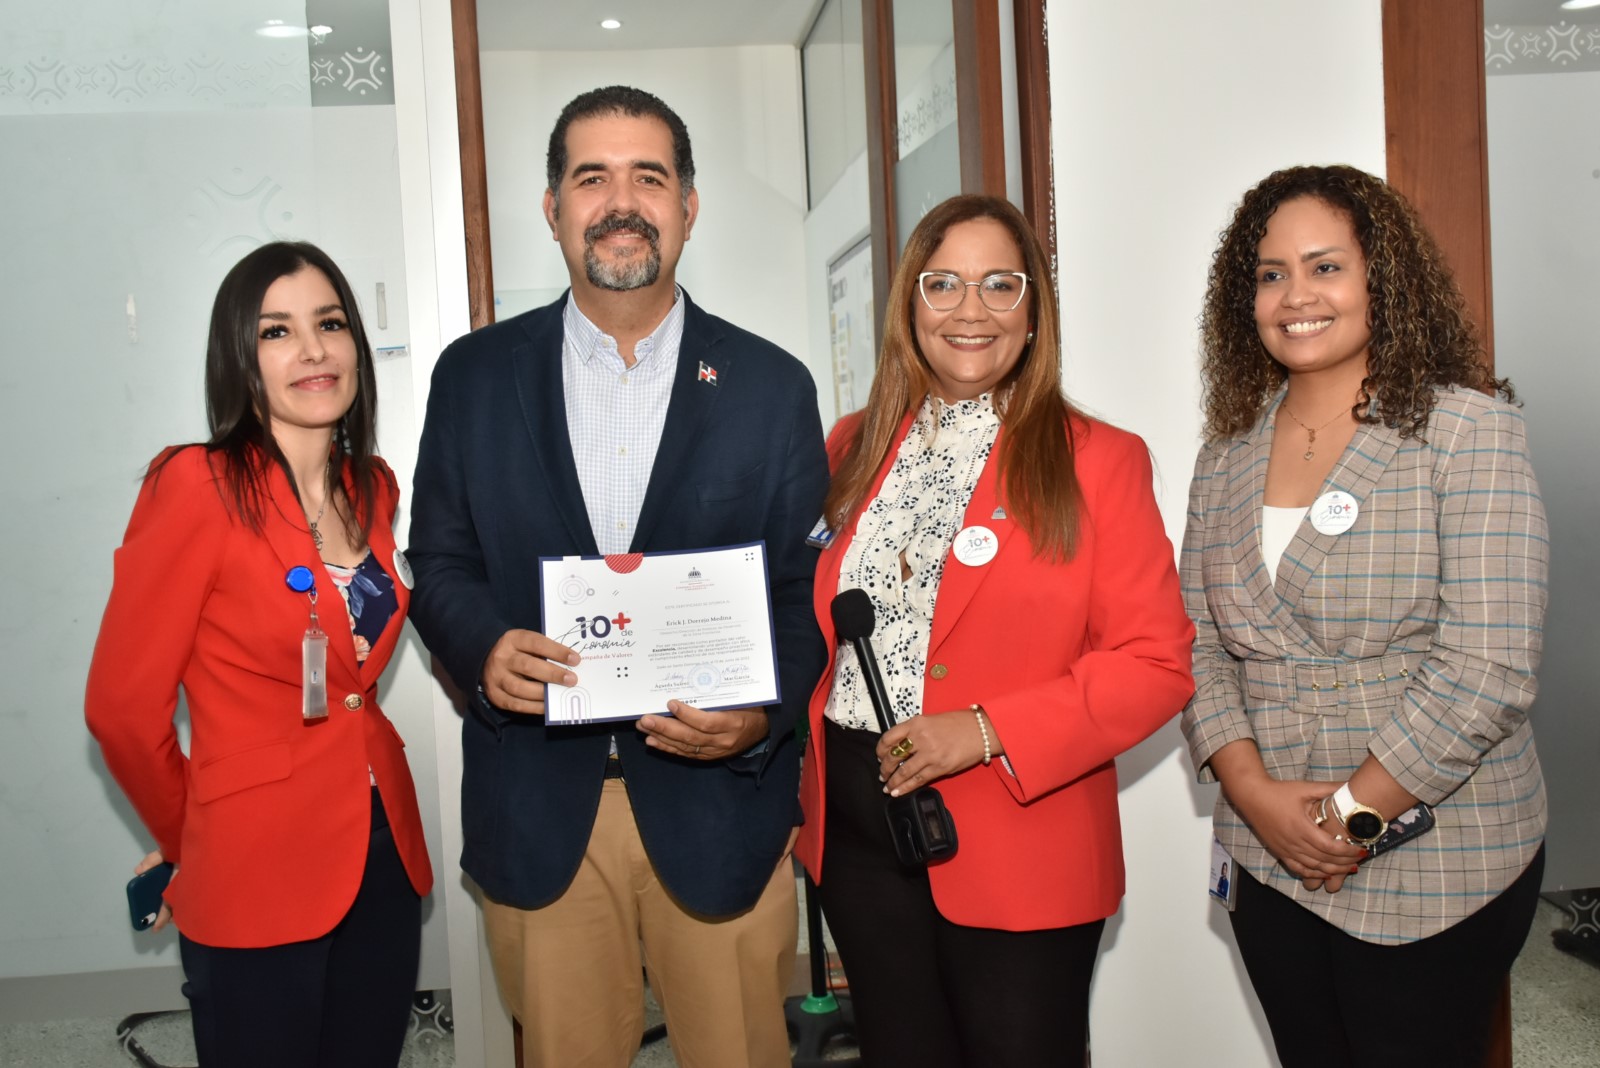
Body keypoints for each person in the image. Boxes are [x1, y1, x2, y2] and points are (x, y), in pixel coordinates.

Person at [406, 85, 829, 1068]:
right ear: (552, 208)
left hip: (718, 800)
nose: (621, 199)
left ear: (688, 204)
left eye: (649, 175)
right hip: (539, 808)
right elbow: (439, 560)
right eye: (591, 176)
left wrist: (761, 716)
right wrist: (479, 645)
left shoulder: (771, 387)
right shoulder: (473, 378)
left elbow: (801, 591)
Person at [795, 194, 1195, 1065]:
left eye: (998, 285)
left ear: (1033, 308)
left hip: (1020, 834)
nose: (969, 310)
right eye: (942, 284)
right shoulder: (850, 446)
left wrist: (983, 731)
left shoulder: (1097, 458)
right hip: (858, 836)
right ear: (909, 304)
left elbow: (1156, 664)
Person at [1180, 164, 1548, 1067]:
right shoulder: (1225, 454)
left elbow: (1489, 666)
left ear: (1382, 279)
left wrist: (1349, 820)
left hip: (1442, 852)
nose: (1295, 296)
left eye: (1324, 267)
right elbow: (1191, 642)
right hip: (1267, 852)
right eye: (1269, 274)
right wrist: (1254, 796)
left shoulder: (1467, 430)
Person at [85, 241, 433, 1068]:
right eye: (278, 331)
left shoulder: (372, 486)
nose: (314, 349)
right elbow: (122, 712)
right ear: (241, 362)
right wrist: (186, 836)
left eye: (331, 323)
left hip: (381, 851)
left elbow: (352, 684)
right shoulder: (195, 486)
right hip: (250, 862)